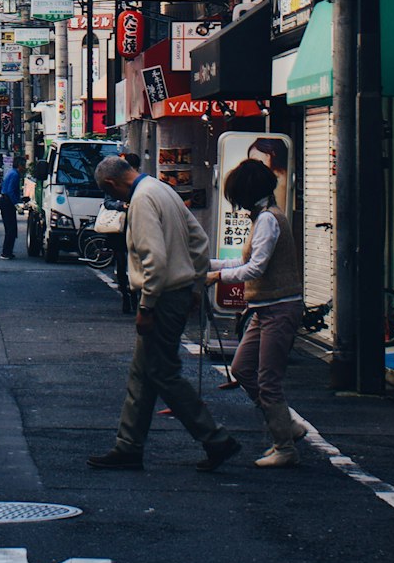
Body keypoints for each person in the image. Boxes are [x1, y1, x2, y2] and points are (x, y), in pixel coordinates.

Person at [88, 155, 240, 473]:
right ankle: (128, 445)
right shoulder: (162, 189)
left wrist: (146, 306)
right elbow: (199, 240)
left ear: (112, 184)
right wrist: (196, 286)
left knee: (162, 372)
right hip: (178, 291)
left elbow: (153, 258)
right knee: (143, 373)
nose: (114, 198)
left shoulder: (141, 201)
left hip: (161, 296)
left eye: (110, 192)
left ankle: (215, 438)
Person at [206, 156, 305, 468]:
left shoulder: (268, 220)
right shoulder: (263, 216)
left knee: (267, 381)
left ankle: (285, 447)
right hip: (264, 310)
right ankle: (286, 426)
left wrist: (216, 275)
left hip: (279, 308)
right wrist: (208, 265)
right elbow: (243, 261)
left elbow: (255, 268)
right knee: (242, 369)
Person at [110, 149, 141, 316]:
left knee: (136, 264)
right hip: (120, 230)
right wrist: (121, 206)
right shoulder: (117, 182)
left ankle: (135, 297)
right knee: (122, 264)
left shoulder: (143, 184)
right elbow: (107, 202)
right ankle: (126, 297)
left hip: (136, 229)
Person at [0, 154, 26, 260]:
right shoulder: (15, 175)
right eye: (23, 165)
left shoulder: (12, 172)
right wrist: (16, 204)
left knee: (10, 228)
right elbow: (10, 191)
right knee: (11, 229)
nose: (24, 168)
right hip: (7, 202)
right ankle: (6, 252)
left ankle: (8, 251)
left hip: (5, 201)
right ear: (19, 165)